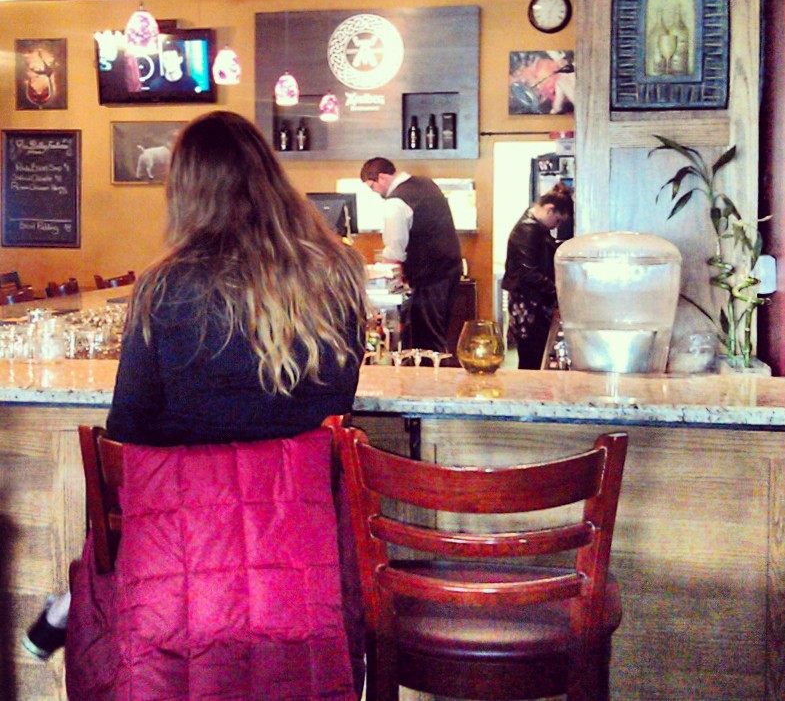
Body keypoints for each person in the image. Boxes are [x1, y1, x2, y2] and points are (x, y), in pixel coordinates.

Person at [24, 111, 368, 660]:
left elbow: (128, 427)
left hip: (185, 537)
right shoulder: (340, 271)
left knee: (139, 496)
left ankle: (82, 598)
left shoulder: (164, 285)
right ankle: (80, 597)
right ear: (269, 175)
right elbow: (338, 400)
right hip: (303, 527)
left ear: (186, 192)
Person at [360, 156, 462, 352]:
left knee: (426, 337)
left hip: (428, 276)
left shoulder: (396, 201)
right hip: (449, 269)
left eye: (372, 187)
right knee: (438, 332)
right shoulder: (426, 184)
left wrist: (384, 271)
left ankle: (426, 371)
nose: (375, 192)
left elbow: (395, 248)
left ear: (382, 178)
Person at [502, 184, 574, 370]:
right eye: (557, 220)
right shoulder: (528, 230)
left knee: (531, 355)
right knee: (532, 356)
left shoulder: (532, 228)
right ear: (550, 210)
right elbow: (527, 274)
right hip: (531, 305)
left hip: (529, 303)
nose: (557, 226)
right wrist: (557, 292)